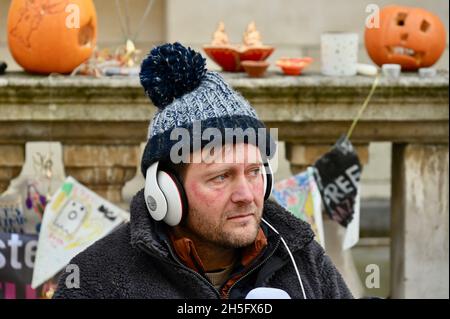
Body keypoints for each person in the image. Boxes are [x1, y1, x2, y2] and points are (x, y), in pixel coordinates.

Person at [53, 42, 352, 299]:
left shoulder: (304, 260)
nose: (246, 195)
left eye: (253, 172)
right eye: (221, 177)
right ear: (167, 192)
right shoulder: (96, 280)